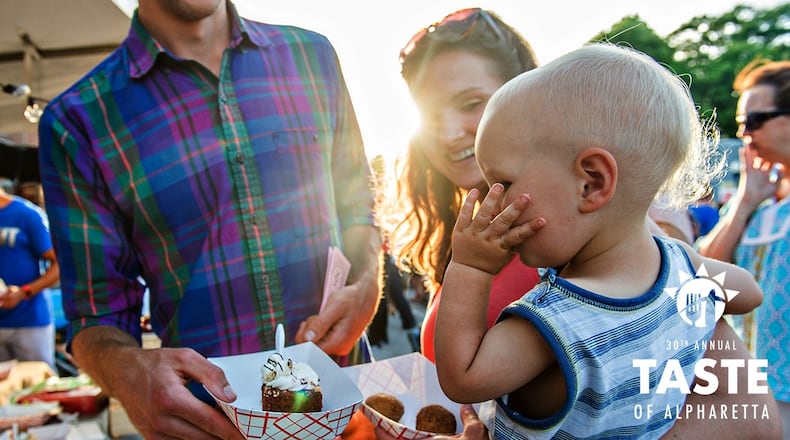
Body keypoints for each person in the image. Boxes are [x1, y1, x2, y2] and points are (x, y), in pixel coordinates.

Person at [380, 8, 781, 440]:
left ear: (591, 182)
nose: (495, 200)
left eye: (505, 182)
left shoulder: (552, 321)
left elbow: (462, 377)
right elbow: (748, 292)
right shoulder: (679, 266)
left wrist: (471, 268)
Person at [37, 1, 380, 438]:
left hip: (349, 411)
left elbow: (359, 202)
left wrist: (369, 281)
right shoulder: (80, 120)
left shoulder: (312, 56)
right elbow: (94, 313)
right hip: (211, 424)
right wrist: (127, 371)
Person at [386, 6, 541, 365]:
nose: (448, 133)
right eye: (430, 114)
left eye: (471, 104)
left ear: (526, 93)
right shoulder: (467, 228)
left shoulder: (585, 223)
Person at [696, 59, 790, 439]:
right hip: (756, 392)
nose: (743, 134)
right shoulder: (763, 208)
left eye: (754, 120)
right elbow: (702, 274)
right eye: (740, 123)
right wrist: (745, 202)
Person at [0, 178, 60, 371]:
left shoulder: (27, 214)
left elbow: (59, 264)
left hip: (29, 321)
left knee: (39, 388)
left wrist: (24, 292)